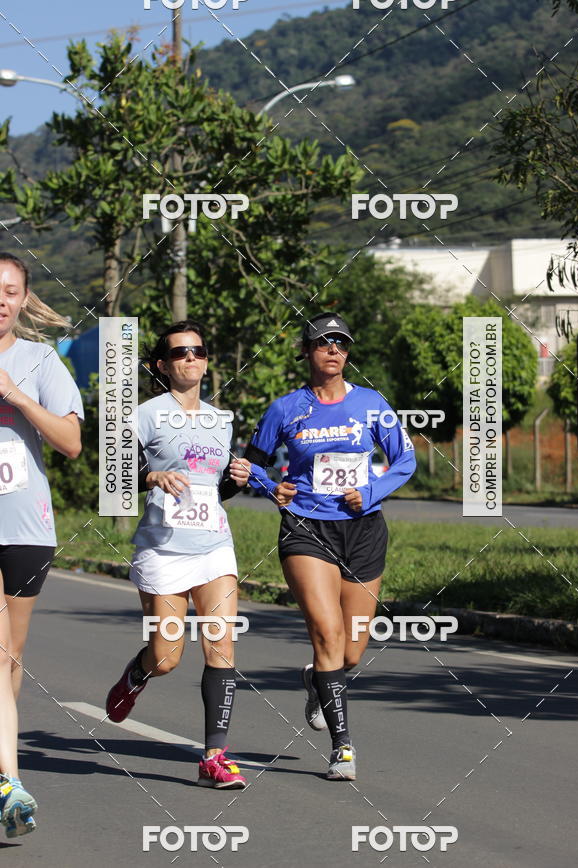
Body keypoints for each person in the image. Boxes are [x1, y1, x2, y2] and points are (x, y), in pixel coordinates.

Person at [245, 312, 416, 781]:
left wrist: (373, 491)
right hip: (306, 529)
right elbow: (251, 464)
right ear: (306, 351)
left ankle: (317, 681)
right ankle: (343, 748)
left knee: (352, 652)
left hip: (363, 530)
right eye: (324, 342)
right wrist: (269, 488)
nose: (334, 349)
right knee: (326, 634)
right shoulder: (285, 408)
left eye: (341, 342)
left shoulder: (371, 404)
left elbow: (405, 459)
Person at [105, 320, 252, 790]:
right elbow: (115, 478)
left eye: (199, 351)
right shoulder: (146, 414)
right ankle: (136, 674)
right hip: (163, 549)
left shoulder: (221, 419)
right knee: (168, 657)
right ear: (163, 365)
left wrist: (237, 478)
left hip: (213, 546)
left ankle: (215, 756)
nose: (191, 358)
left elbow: (215, 490)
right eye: (181, 352)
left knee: (221, 648)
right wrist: (154, 478)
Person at [0, 252, 83, 837]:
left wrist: (18, 397)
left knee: (10, 657)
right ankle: (10, 778)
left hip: (27, 530)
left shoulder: (39, 360)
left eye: (10, 291)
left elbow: (72, 443)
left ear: (24, 299)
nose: (0, 299)